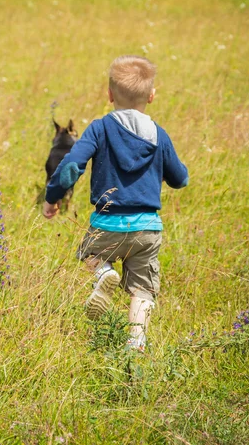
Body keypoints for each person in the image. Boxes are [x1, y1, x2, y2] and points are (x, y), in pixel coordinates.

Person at [42, 55, 188, 352]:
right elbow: (180, 178)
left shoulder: (99, 128)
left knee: (89, 253)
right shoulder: (159, 135)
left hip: (106, 224)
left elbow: (71, 166)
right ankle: (135, 348)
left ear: (109, 95)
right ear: (151, 96)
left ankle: (103, 272)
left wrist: (52, 197)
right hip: (147, 229)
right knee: (143, 290)